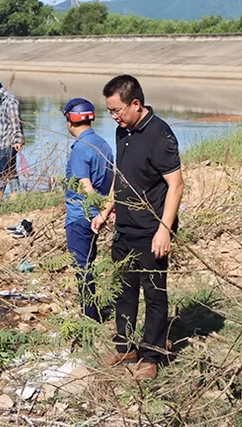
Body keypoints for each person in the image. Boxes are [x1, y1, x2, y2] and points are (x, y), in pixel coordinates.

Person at [91, 75, 185, 380]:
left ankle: (151, 354)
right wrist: (107, 209)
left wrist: (164, 230)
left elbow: (176, 186)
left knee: (154, 293)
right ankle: (125, 346)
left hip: (151, 229)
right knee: (124, 290)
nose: (114, 117)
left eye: (117, 111)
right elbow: (123, 177)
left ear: (136, 104)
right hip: (125, 228)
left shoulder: (160, 135)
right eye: (110, 112)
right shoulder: (123, 131)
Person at [62, 97, 114, 322]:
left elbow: (85, 186)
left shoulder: (80, 148)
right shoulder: (103, 144)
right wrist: (108, 210)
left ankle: (90, 317)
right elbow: (113, 182)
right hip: (97, 216)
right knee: (89, 264)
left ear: (69, 121)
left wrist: (98, 210)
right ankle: (93, 311)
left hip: (80, 217)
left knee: (82, 268)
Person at [0, 78, 24, 198]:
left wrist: (18, 140)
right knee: (10, 169)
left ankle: (4, 196)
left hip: (9, 142)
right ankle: (12, 196)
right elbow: (4, 125)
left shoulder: (11, 102)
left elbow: (15, 122)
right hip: (3, 143)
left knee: (1, 169)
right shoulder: (4, 103)